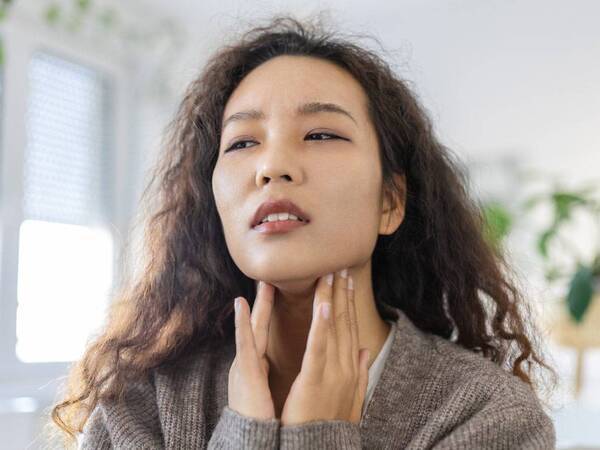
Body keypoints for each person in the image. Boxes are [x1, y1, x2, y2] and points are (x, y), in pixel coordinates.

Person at [49, 14, 558, 449]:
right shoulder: (141, 405)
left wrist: (319, 434)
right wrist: (244, 431)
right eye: (243, 143)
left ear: (390, 202)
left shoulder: (487, 414)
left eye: (320, 134)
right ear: (214, 204)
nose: (272, 166)